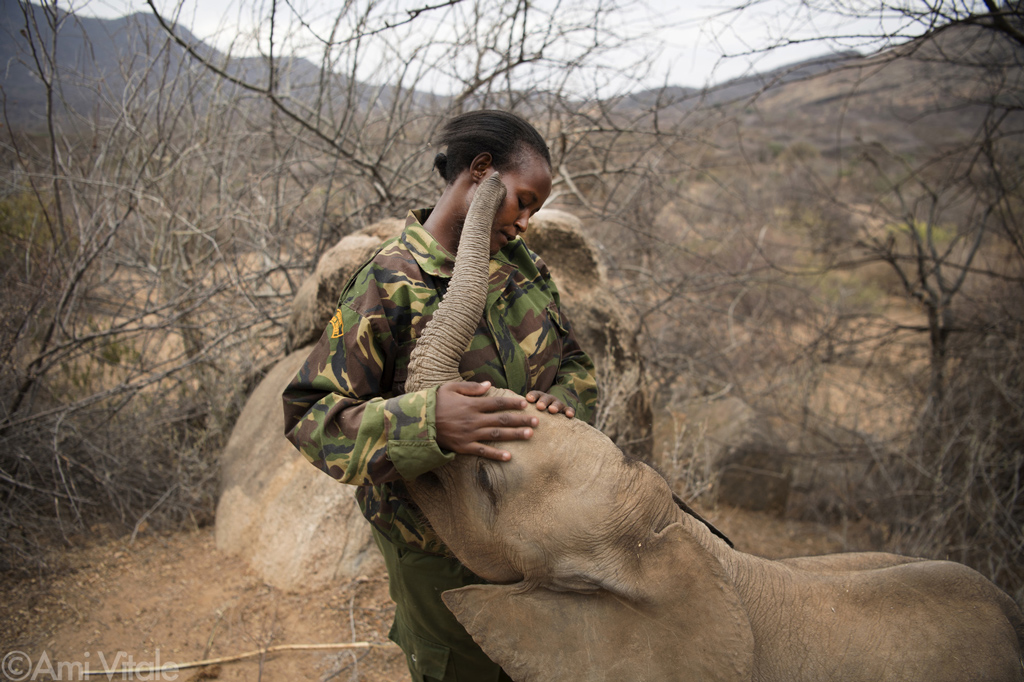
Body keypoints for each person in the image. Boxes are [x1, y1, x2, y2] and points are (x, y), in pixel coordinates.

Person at [282, 109, 598, 682]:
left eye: (536, 210)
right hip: (439, 554)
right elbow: (312, 417)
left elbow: (574, 361)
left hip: (537, 533)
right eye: (523, 201)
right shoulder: (387, 281)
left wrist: (567, 402)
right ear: (481, 173)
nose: (527, 222)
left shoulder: (524, 269)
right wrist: (428, 422)